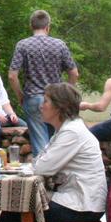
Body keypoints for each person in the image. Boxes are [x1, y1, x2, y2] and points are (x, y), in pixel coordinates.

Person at [0, 82, 106, 222]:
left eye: (46, 101)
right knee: (18, 211)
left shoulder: (72, 132)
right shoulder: (65, 130)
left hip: (82, 204)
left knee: (23, 219)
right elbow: (42, 161)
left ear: (60, 107)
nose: (41, 105)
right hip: (75, 199)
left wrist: (35, 163)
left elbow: (42, 166)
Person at [9, 10, 79, 157]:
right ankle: (57, 177)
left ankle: (44, 177)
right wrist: (67, 94)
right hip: (56, 99)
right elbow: (74, 73)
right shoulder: (59, 45)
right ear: (48, 26)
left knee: (41, 146)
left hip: (33, 98)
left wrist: (20, 95)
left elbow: (12, 76)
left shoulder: (23, 45)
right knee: (57, 141)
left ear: (31, 26)